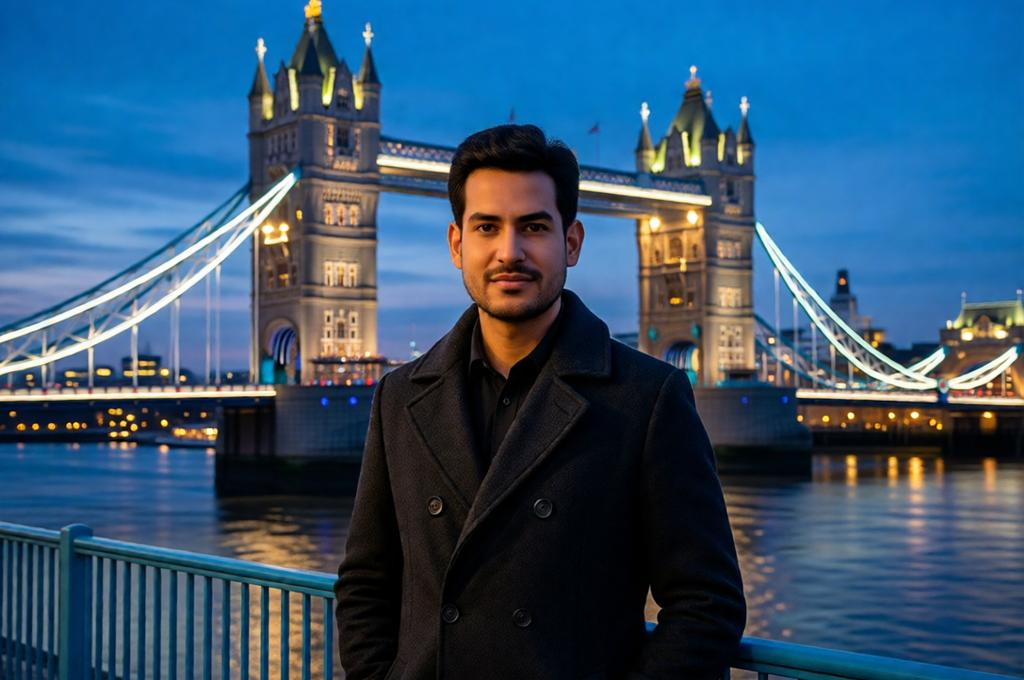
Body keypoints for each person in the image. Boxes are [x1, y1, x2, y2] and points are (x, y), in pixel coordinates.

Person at [334, 124, 745, 680]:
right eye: (487, 227)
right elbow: (365, 583)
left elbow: (707, 603)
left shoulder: (647, 399)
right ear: (458, 244)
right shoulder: (399, 397)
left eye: (533, 226)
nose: (510, 251)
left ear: (570, 242)